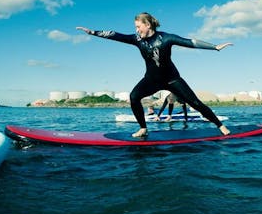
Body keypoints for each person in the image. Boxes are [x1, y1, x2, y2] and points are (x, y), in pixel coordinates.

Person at [77, 12, 232, 137]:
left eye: (139, 27)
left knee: (195, 103)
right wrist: (93, 32)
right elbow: (116, 35)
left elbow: (189, 42)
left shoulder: (166, 38)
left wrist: (215, 47)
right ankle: (143, 128)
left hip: (172, 79)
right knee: (134, 97)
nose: (137, 30)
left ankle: (220, 125)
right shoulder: (137, 39)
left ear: (148, 25)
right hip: (151, 80)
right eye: (135, 27)